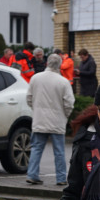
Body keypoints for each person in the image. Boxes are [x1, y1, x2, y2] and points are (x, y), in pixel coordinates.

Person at [26, 53, 74, 186]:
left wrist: (36, 110)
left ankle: (32, 174)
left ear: (47, 63)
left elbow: (29, 98)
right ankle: (61, 178)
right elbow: (69, 103)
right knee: (59, 151)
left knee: (36, 148)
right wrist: (65, 115)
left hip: (39, 120)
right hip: (57, 121)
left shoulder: (36, 78)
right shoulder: (63, 81)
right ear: (59, 65)